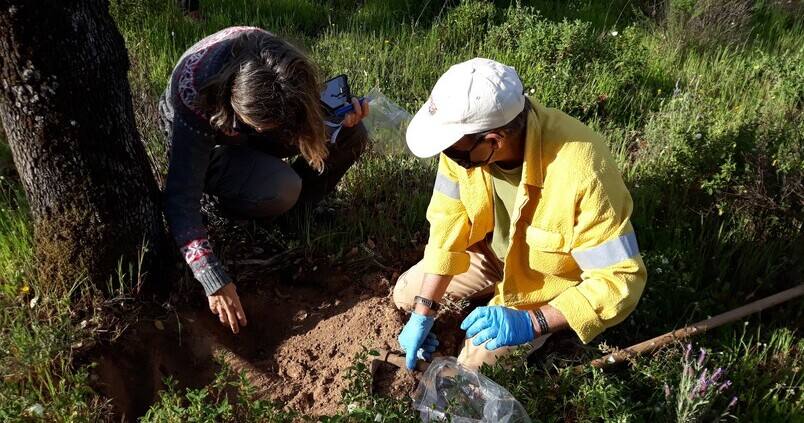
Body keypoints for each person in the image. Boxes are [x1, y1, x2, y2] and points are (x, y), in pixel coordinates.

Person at [394, 58, 647, 370]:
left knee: (474, 364)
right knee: (406, 294)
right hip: (489, 254)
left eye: (453, 152)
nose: (448, 158)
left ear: (494, 141)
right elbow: (448, 220)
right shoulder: (463, 148)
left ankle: (550, 332)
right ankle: (480, 295)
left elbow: (621, 279)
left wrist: (534, 321)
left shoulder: (582, 169)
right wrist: (424, 311)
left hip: (543, 282)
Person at [158, 27, 369, 334]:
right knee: (282, 188)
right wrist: (211, 276)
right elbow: (180, 199)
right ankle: (235, 204)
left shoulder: (283, 70)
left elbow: (301, 121)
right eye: (262, 126)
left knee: (351, 134)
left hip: (251, 124)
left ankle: (297, 216)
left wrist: (337, 122)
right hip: (209, 144)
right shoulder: (194, 92)